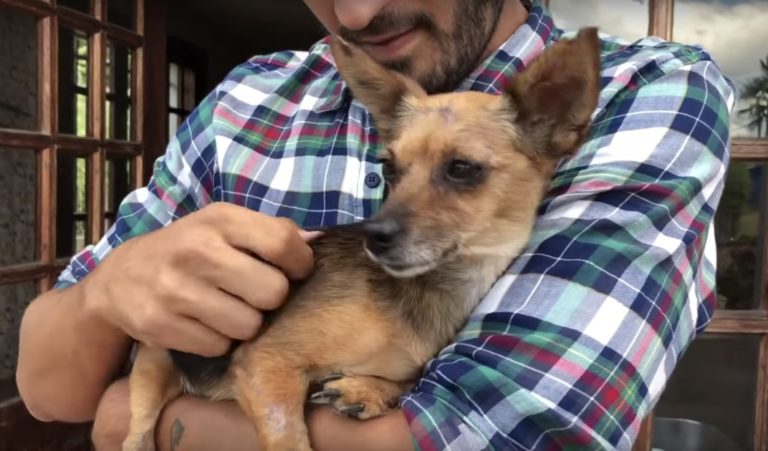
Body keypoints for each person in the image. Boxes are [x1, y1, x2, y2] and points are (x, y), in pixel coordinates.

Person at [16, 0, 735, 450]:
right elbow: (51, 391)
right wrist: (105, 292)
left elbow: (502, 433)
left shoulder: (648, 92)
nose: (355, 14)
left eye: (461, 171)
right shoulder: (246, 101)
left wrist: (130, 424)